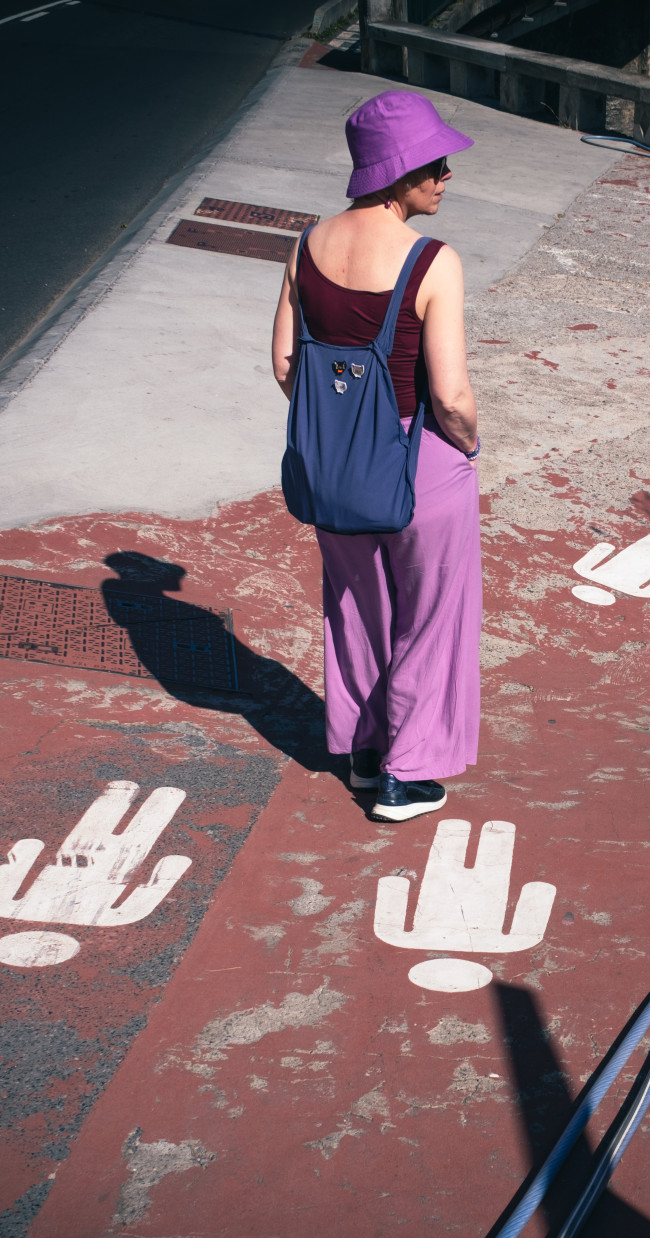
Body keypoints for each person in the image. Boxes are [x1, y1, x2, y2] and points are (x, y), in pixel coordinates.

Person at [270, 91, 482, 824]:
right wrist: (468, 444)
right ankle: (408, 774)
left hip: (335, 466)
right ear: (397, 173)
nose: (447, 174)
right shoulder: (433, 261)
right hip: (418, 458)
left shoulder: (305, 245)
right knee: (430, 618)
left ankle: (363, 756)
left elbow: (285, 365)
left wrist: (338, 426)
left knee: (356, 609)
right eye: (435, 164)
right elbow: (449, 394)